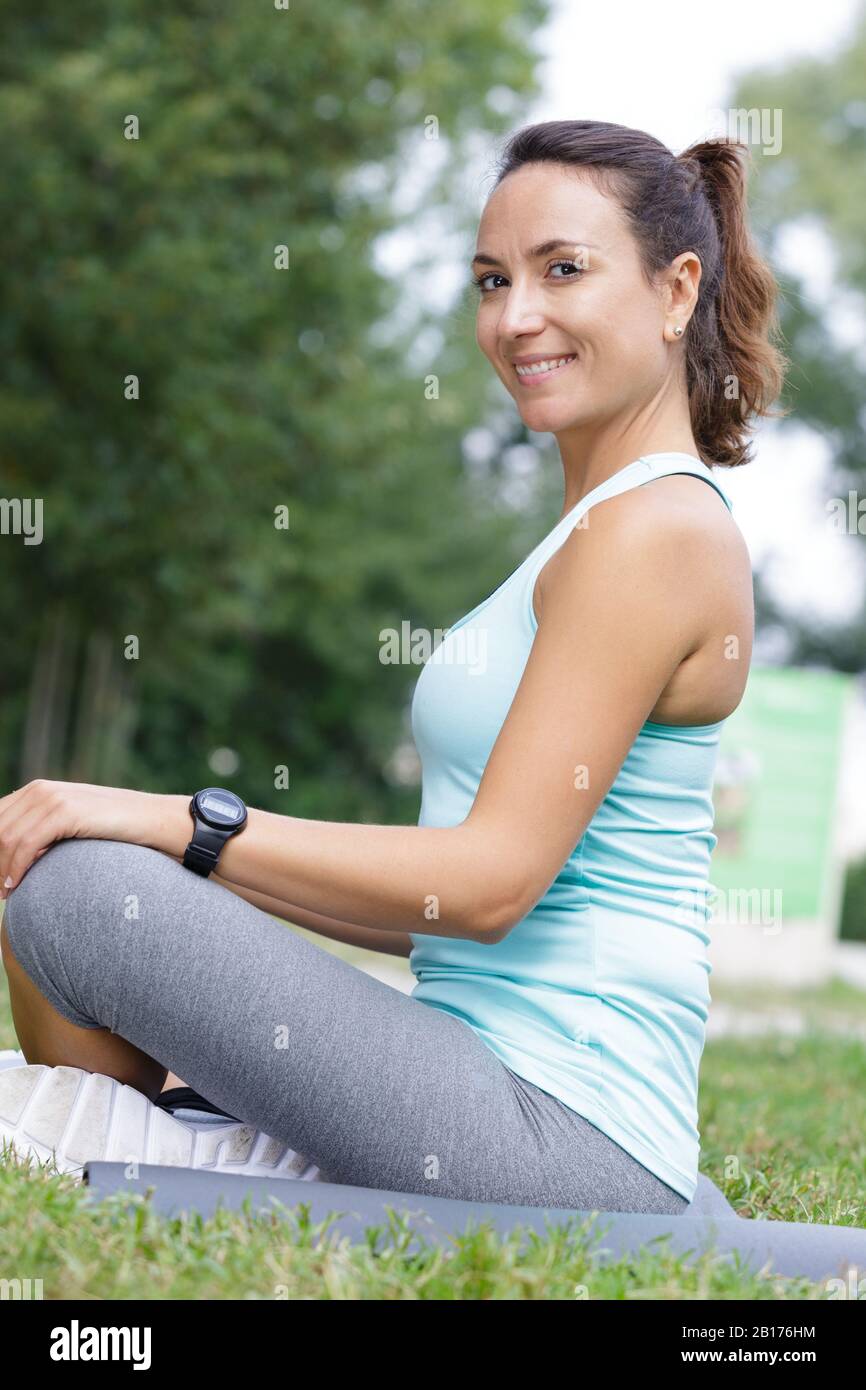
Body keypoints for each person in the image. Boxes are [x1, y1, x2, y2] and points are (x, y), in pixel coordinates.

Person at [0, 119, 786, 1213]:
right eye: (489, 279)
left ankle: (150, 1140)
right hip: (467, 1073)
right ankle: (162, 1133)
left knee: (78, 889)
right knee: (70, 853)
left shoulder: (655, 532)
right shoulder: (599, 530)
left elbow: (487, 887)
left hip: (552, 1131)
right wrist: (191, 858)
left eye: (562, 269)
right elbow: (438, 896)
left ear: (673, 292)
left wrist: (189, 822)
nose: (515, 318)